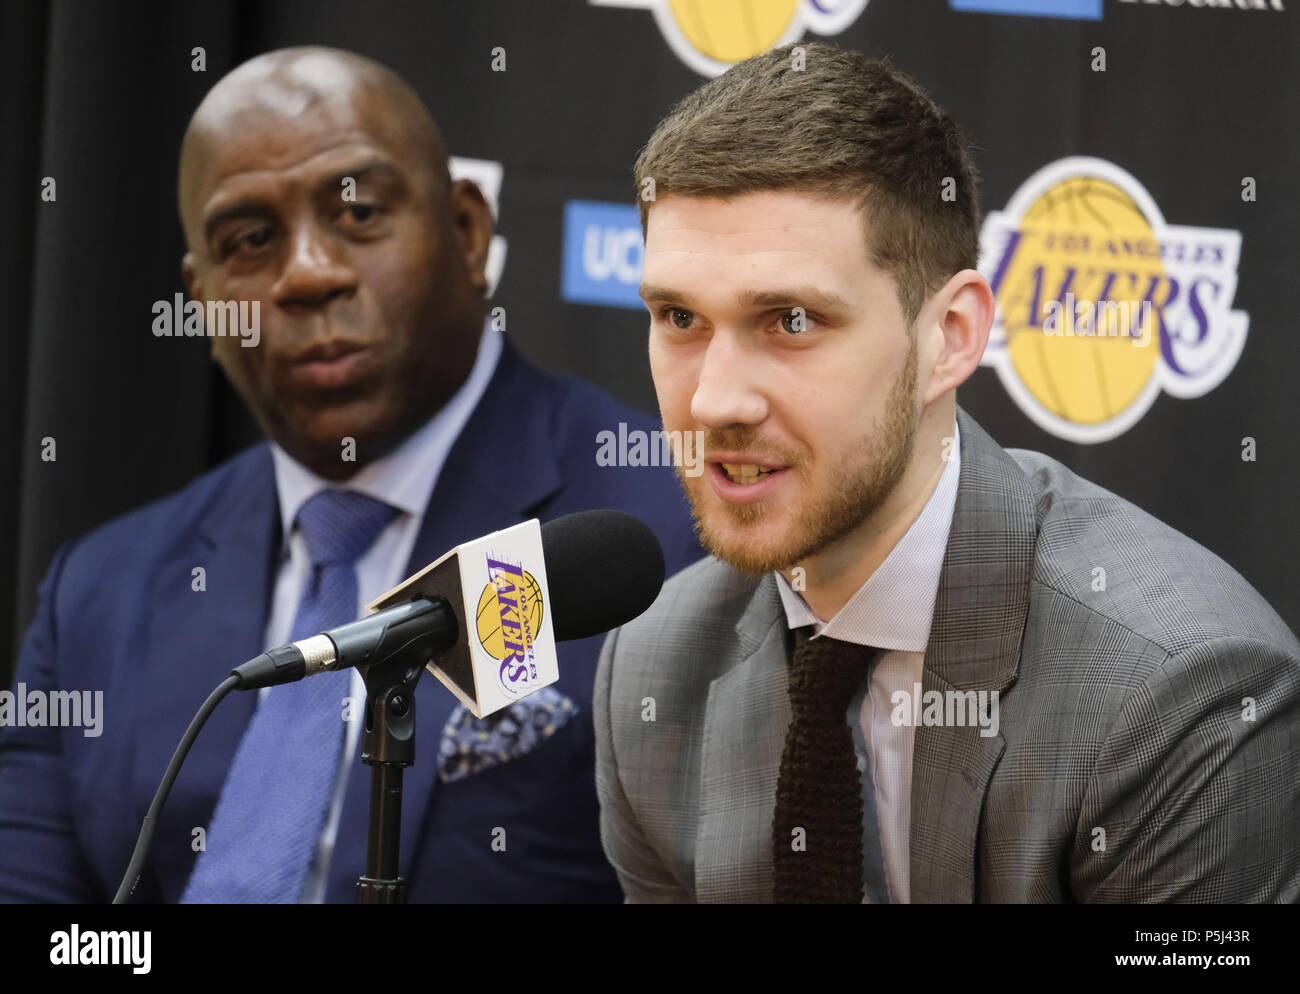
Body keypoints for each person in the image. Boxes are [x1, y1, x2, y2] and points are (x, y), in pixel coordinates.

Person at [594, 43, 1300, 903]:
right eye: (679, 317)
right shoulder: (653, 665)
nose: (712, 402)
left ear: (951, 336)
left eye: (790, 319)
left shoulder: (1175, 694)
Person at [0, 47, 702, 903]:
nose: (308, 273)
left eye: (358, 213)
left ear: (470, 233)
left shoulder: (664, 533)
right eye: (250, 240)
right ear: (202, 300)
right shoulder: (101, 591)